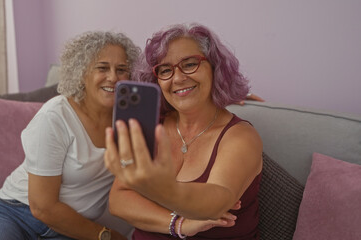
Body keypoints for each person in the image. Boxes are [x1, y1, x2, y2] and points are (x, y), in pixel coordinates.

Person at [0, 31, 141, 240]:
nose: (113, 77)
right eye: (102, 68)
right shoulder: (56, 115)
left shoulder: (130, 121)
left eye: (121, 69)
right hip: (15, 213)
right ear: (82, 73)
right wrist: (106, 235)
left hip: (70, 227)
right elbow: (42, 208)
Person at [104, 23, 263, 239]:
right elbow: (119, 200)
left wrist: (157, 190)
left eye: (190, 64)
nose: (177, 78)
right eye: (165, 70)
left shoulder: (240, 136)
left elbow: (217, 200)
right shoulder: (154, 125)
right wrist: (179, 224)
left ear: (215, 68)